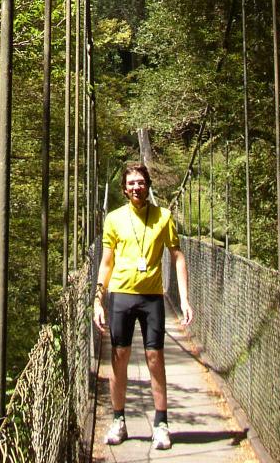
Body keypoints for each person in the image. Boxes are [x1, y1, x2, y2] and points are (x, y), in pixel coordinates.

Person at [93, 161, 193, 450]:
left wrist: (184, 299)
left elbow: (178, 257)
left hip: (152, 298)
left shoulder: (164, 216)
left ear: (147, 185)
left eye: (141, 182)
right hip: (121, 297)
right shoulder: (113, 219)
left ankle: (161, 424)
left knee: (154, 359)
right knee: (119, 357)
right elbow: (106, 263)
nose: (136, 187)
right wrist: (98, 300)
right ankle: (118, 420)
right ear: (124, 189)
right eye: (131, 183)